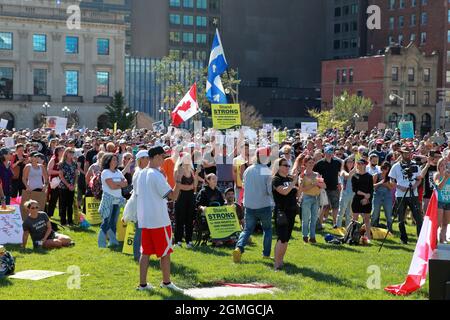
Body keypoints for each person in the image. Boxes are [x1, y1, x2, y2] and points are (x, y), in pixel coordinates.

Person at [136, 146, 183, 292]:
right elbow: (173, 196)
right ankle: (166, 282)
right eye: (163, 157)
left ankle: (142, 285)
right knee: (165, 253)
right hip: (159, 220)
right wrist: (179, 182)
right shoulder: (156, 175)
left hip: (145, 219)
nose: (164, 160)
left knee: (145, 253)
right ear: (156, 157)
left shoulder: (141, 173)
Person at [233, 147, 274, 264]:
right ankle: (266, 254)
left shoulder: (248, 169)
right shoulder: (266, 170)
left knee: (247, 230)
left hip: (249, 205)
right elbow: (269, 190)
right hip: (263, 205)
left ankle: (238, 248)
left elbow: (244, 185)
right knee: (267, 229)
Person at [388, 146, 423, 244]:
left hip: (413, 194)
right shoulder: (396, 166)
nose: (407, 155)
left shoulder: (415, 165)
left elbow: (419, 178)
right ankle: (404, 239)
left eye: (409, 153)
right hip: (400, 194)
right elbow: (391, 180)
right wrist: (399, 186)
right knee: (401, 218)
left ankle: (419, 239)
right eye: (405, 153)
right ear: (401, 154)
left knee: (418, 217)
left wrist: (415, 186)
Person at [271, 158, 300, 270]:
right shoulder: (276, 179)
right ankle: (276, 264)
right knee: (281, 237)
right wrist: (294, 181)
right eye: (285, 165)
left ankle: (281, 261)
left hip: (291, 211)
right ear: (279, 166)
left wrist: (301, 183)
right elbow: (284, 191)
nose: (288, 167)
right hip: (281, 211)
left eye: (288, 165)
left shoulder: (290, 178)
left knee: (286, 238)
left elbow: (296, 194)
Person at [122, 150, 149, 261]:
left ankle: (143, 253)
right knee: (139, 230)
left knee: (143, 230)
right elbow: (139, 191)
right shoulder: (139, 172)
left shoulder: (145, 171)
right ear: (140, 160)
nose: (148, 160)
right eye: (146, 158)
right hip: (140, 204)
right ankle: (137, 255)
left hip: (144, 203)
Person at [98, 153, 127, 248]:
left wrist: (116, 183)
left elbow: (125, 184)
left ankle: (113, 241)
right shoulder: (105, 172)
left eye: (116, 159)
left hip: (117, 200)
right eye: (114, 159)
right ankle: (101, 243)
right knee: (106, 222)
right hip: (108, 200)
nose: (116, 161)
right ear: (108, 161)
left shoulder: (118, 171)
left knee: (113, 222)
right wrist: (119, 183)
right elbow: (112, 186)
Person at [313, 145, 342, 229]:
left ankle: (334, 223)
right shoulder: (319, 163)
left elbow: (338, 174)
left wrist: (339, 183)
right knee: (324, 206)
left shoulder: (337, 163)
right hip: (323, 188)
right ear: (324, 153)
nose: (329, 154)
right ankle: (320, 224)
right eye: (328, 152)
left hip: (334, 187)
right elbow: (315, 175)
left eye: (331, 152)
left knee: (335, 206)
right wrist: (319, 184)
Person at [173, 152, 198, 248]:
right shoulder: (177, 170)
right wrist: (189, 187)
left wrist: (192, 185)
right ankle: (178, 241)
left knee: (189, 218)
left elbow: (194, 185)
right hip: (180, 196)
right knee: (179, 218)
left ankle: (189, 240)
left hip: (190, 197)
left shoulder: (191, 170)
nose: (187, 159)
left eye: (188, 158)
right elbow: (178, 185)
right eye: (186, 158)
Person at [300, 155, 325, 242]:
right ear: (305, 163)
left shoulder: (317, 174)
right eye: (309, 162)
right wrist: (314, 184)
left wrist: (320, 184)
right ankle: (305, 236)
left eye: (312, 162)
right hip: (306, 197)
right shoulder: (303, 175)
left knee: (314, 219)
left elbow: (324, 186)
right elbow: (302, 189)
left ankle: (312, 237)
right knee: (306, 218)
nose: (311, 164)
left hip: (316, 198)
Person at [351, 159, 374, 241]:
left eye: (362, 164)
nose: (360, 165)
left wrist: (367, 198)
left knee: (367, 219)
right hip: (357, 199)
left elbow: (371, 189)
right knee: (355, 220)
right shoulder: (355, 176)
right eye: (358, 164)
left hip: (367, 200)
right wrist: (365, 195)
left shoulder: (369, 176)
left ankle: (368, 237)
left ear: (365, 165)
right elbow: (355, 189)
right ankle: (353, 236)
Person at [371, 162, 394, 232]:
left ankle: (389, 229)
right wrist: (380, 183)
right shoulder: (376, 175)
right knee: (375, 212)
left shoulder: (391, 177)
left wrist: (386, 184)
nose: (383, 170)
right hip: (377, 195)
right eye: (382, 168)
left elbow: (391, 188)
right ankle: (372, 227)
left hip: (388, 196)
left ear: (389, 169)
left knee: (388, 213)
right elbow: (372, 186)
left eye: (386, 169)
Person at [58, 148, 78, 226]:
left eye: (73, 152)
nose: (72, 154)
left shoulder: (74, 163)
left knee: (70, 204)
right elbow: (61, 176)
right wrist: (68, 185)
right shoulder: (61, 164)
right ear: (66, 153)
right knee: (63, 204)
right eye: (70, 152)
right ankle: (63, 221)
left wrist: (74, 185)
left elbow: (76, 175)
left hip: (72, 186)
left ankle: (70, 221)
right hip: (63, 186)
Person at [433, 158, 450, 244]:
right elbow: (438, 187)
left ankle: (442, 240)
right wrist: (445, 178)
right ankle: (433, 240)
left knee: (445, 223)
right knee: (438, 223)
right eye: (442, 165)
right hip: (439, 201)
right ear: (438, 166)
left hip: (448, 202)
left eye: (445, 165)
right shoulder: (437, 175)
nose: (444, 167)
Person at [337, 157, 356, 228]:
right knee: (341, 212)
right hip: (345, 194)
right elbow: (348, 176)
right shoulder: (343, 171)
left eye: (352, 162)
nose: (351, 163)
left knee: (349, 213)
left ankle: (347, 228)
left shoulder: (355, 172)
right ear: (345, 163)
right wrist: (355, 168)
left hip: (353, 194)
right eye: (349, 162)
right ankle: (338, 226)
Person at [420, 150, 440, 215]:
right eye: (435, 156)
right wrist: (427, 165)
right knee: (426, 215)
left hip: (439, 195)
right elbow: (421, 176)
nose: (436, 158)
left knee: (437, 215)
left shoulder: (441, 167)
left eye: (439, 157)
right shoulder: (426, 166)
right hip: (427, 194)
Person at [46, 146, 64, 217]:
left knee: (62, 200)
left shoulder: (65, 160)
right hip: (55, 182)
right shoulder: (53, 159)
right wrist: (58, 172)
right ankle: (49, 214)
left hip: (63, 182)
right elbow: (49, 171)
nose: (63, 151)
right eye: (62, 150)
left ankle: (61, 215)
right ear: (58, 152)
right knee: (53, 198)